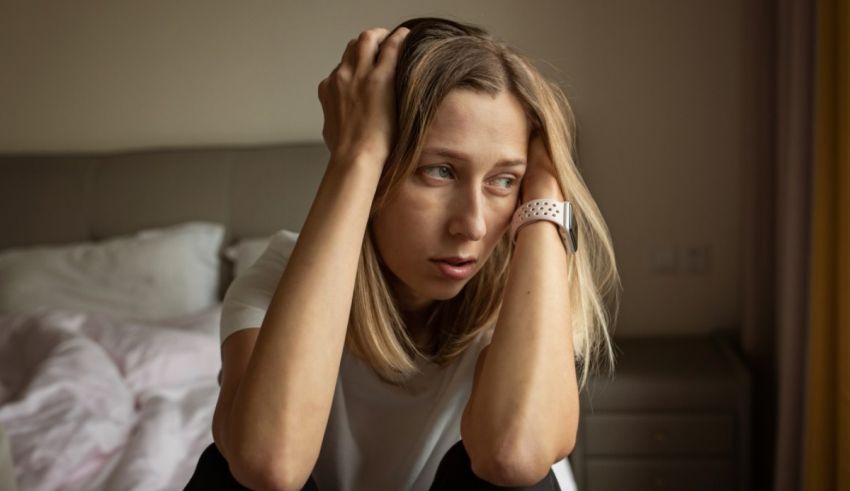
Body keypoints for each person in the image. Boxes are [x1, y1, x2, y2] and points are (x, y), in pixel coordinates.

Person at [185, 16, 620, 491]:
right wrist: (355, 157)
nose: (472, 225)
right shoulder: (274, 278)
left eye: (503, 180)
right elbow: (269, 463)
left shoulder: (531, 290)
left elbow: (513, 456)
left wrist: (546, 199)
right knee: (229, 470)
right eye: (439, 171)